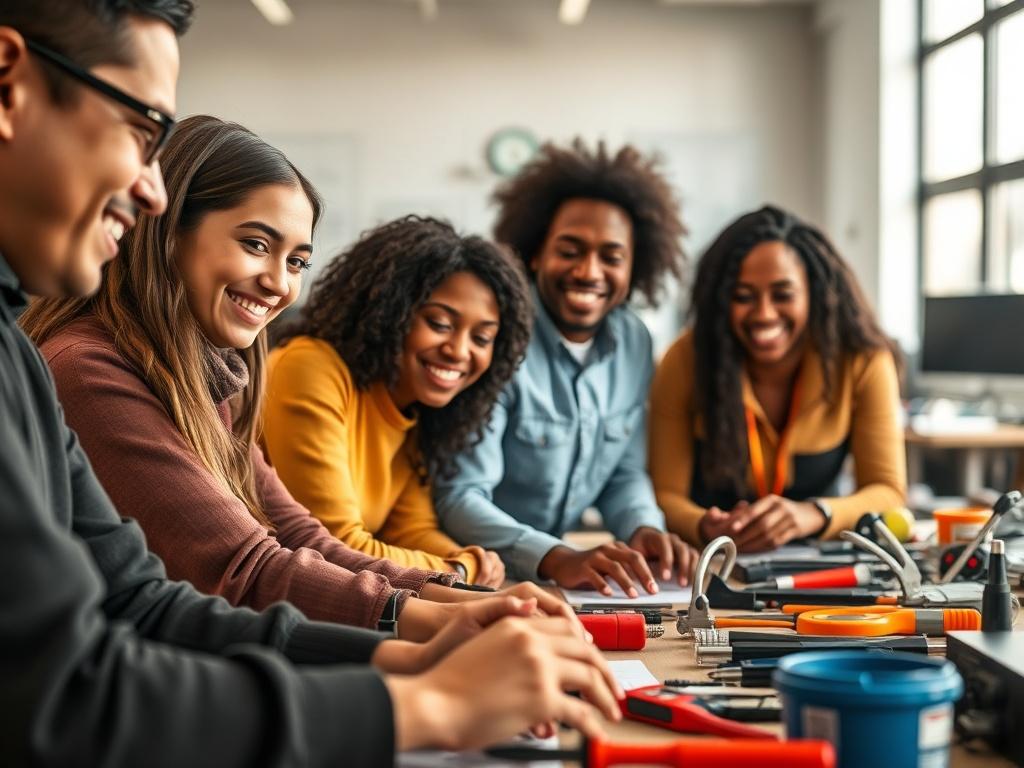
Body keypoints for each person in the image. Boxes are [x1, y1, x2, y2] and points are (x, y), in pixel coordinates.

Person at [0, 3, 619, 764]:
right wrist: (425, 689)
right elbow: (93, 678)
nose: (149, 190)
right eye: (139, 131)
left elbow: (172, 591)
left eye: (296, 259)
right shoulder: (84, 366)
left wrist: (427, 637)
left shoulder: (45, 364)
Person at [22, 115, 577, 639]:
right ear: (167, 231)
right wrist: (445, 615)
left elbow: (300, 535)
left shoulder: (204, 381)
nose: (280, 285)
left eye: (296, 262)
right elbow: (247, 571)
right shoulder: (90, 369)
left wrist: (476, 600)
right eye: (256, 245)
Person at [434, 140, 699, 596]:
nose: (588, 272)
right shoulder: (496, 335)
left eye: (611, 257)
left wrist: (642, 526)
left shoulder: (634, 341)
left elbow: (624, 472)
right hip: (471, 573)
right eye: (570, 250)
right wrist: (555, 556)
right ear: (535, 253)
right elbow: (458, 497)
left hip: (563, 579)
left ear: (635, 268)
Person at [264, 216, 533, 587]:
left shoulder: (417, 407)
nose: (459, 351)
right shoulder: (309, 367)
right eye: (439, 324)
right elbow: (335, 544)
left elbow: (411, 529)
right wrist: (458, 569)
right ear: (388, 312)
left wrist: (464, 560)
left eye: (482, 338)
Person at [649, 204, 906, 552]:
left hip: (818, 569)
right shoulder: (685, 359)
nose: (764, 314)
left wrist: (814, 514)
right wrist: (704, 524)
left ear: (814, 294)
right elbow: (663, 495)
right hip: (709, 562)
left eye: (783, 295)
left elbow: (889, 491)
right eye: (743, 297)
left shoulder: (862, 360)